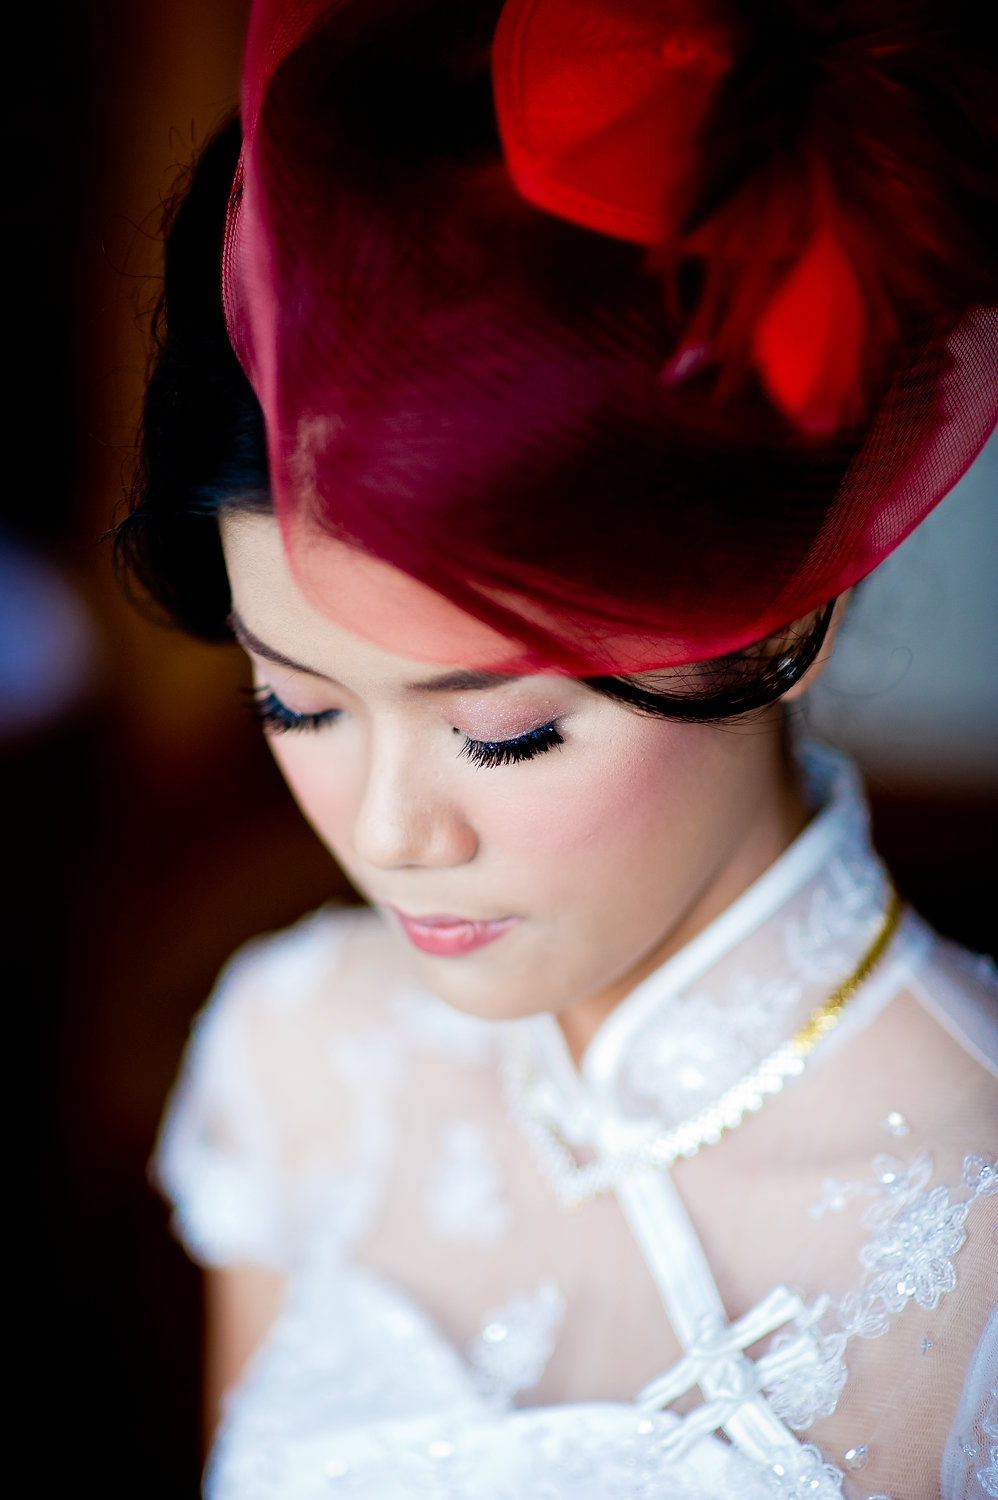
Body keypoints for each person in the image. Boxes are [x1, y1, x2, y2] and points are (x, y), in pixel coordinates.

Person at [116, 1, 998, 1496]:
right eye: (296, 705)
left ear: (783, 613)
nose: (390, 833)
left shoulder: (976, 1238)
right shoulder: (297, 1058)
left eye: (503, 732)